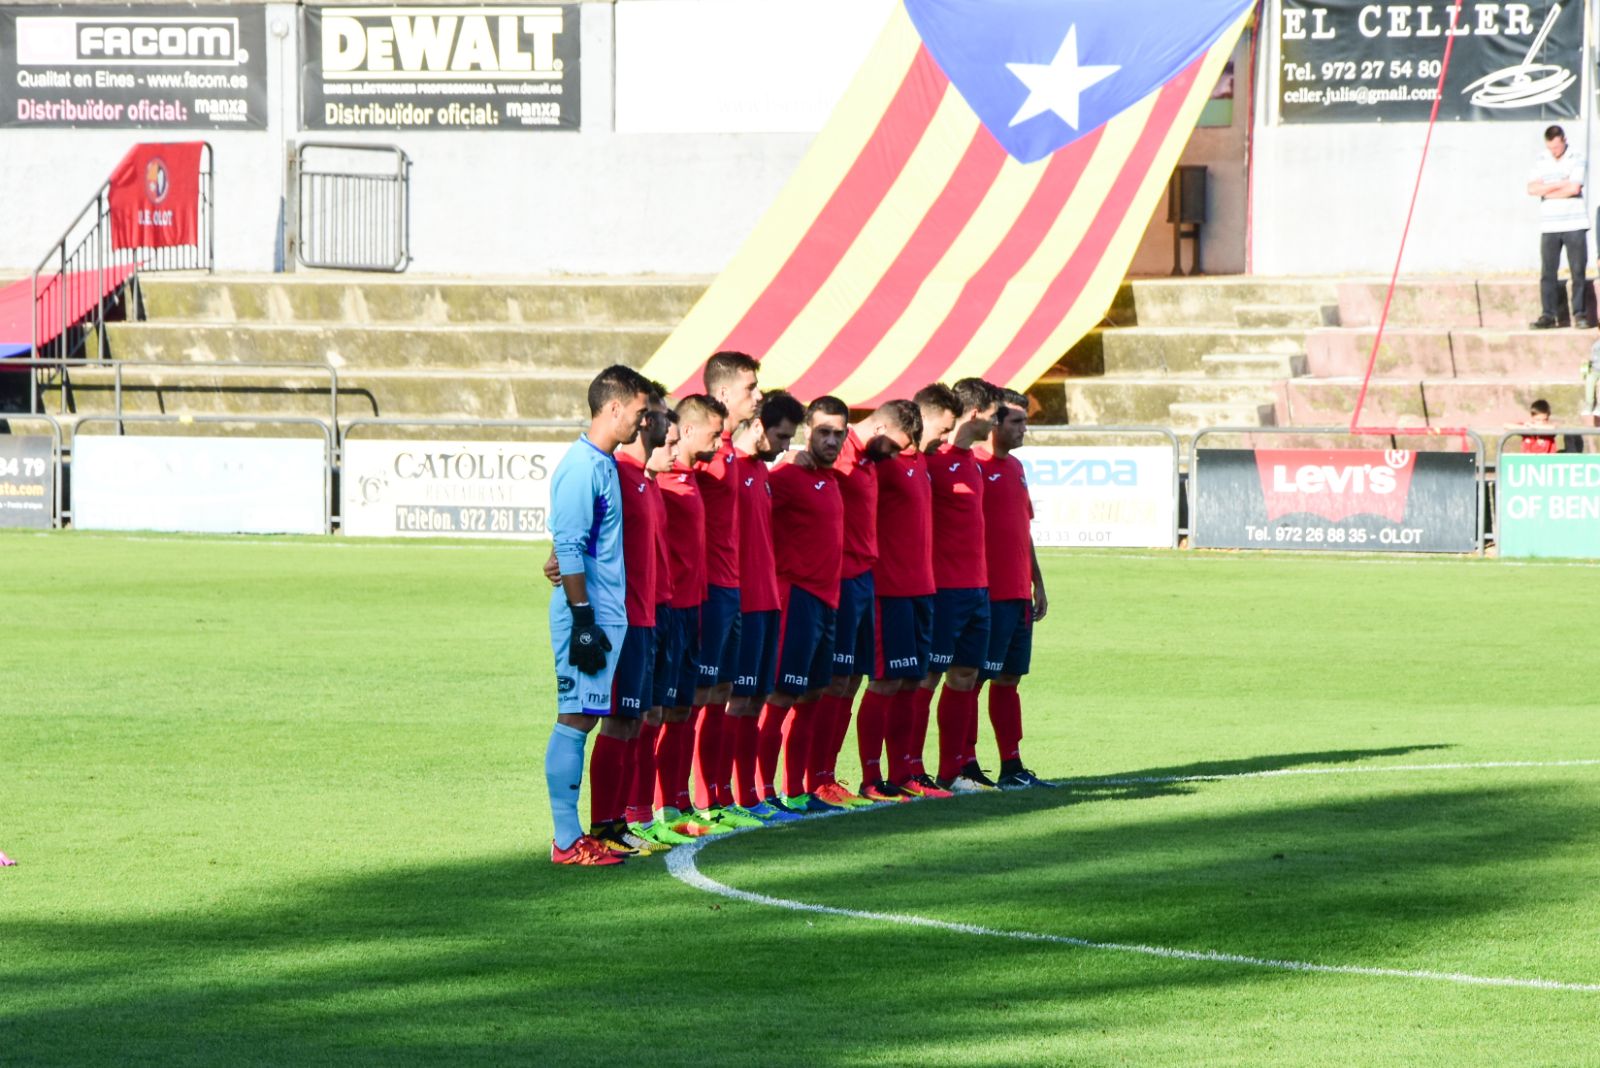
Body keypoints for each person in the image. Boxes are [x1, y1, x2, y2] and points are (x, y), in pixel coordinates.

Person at [543, 364, 652, 866]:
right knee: (575, 717)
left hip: (604, 615)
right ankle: (567, 841)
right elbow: (567, 547)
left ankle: (576, 837)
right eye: (639, 411)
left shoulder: (603, 463)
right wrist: (583, 619)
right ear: (613, 407)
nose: (643, 421)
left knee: (586, 717)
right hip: (585, 617)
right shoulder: (582, 466)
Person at [811, 399, 922, 807]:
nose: (895, 455)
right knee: (830, 683)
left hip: (864, 581)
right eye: (894, 445)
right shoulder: (838, 454)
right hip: (838, 581)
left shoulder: (869, 460)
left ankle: (828, 776)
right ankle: (813, 777)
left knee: (850, 681)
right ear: (879, 429)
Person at [763, 396, 851, 811]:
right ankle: (762, 793)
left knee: (813, 695)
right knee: (781, 696)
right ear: (806, 432)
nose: (831, 440)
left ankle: (797, 791)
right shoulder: (785, 475)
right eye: (823, 432)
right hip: (796, 598)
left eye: (838, 433)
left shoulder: (831, 478)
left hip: (828, 601)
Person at [875, 384, 962, 800]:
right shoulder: (885, 464)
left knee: (912, 683)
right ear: (920, 422)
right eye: (942, 430)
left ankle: (907, 771)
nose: (945, 440)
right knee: (886, 683)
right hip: (891, 591)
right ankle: (873, 777)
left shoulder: (923, 463)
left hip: (924, 590)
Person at [688, 352, 762, 830]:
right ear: (722, 393)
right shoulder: (702, 453)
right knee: (696, 697)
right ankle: (686, 803)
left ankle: (714, 796)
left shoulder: (730, 449)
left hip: (733, 588)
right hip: (709, 589)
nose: (757, 395)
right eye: (750, 387)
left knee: (722, 693)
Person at [653, 394, 729, 839]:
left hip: (694, 608)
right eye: (714, 434)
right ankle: (647, 810)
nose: (719, 443)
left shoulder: (691, 477)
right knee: (655, 714)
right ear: (686, 430)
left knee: (683, 709)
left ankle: (678, 804)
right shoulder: (659, 480)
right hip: (667, 609)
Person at [923, 378, 1003, 794]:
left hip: (977, 588)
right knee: (927, 678)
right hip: (943, 589)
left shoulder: (972, 460)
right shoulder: (933, 460)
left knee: (966, 676)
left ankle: (951, 772)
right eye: (994, 414)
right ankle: (909, 770)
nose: (997, 422)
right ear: (975, 414)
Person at [728, 391, 805, 823]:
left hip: (767, 600)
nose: (786, 447)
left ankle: (750, 796)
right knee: (730, 703)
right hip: (739, 602)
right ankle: (716, 799)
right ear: (758, 427)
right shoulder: (728, 468)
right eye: (781, 436)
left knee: (754, 702)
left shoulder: (760, 470)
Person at [972, 393, 1055, 789]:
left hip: (1019, 593)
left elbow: (1023, 528)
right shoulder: (974, 466)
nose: (1024, 430)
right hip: (988, 594)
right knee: (971, 681)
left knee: (1009, 680)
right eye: (1017, 422)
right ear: (995, 424)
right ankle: (965, 764)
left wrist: (1037, 581)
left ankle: (1012, 765)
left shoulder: (1016, 467)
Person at [1527, 125, 1592, 330]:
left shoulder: (1577, 157)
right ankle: (1548, 315)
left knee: (1578, 271)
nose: (1554, 151)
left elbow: (1574, 188)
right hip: (1550, 225)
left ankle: (1580, 314)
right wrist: (1559, 184)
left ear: (1564, 140)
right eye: (1550, 148)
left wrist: (1547, 189)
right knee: (1548, 272)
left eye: (1556, 147)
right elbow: (1532, 189)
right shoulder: (1541, 159)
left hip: (1575, 224)